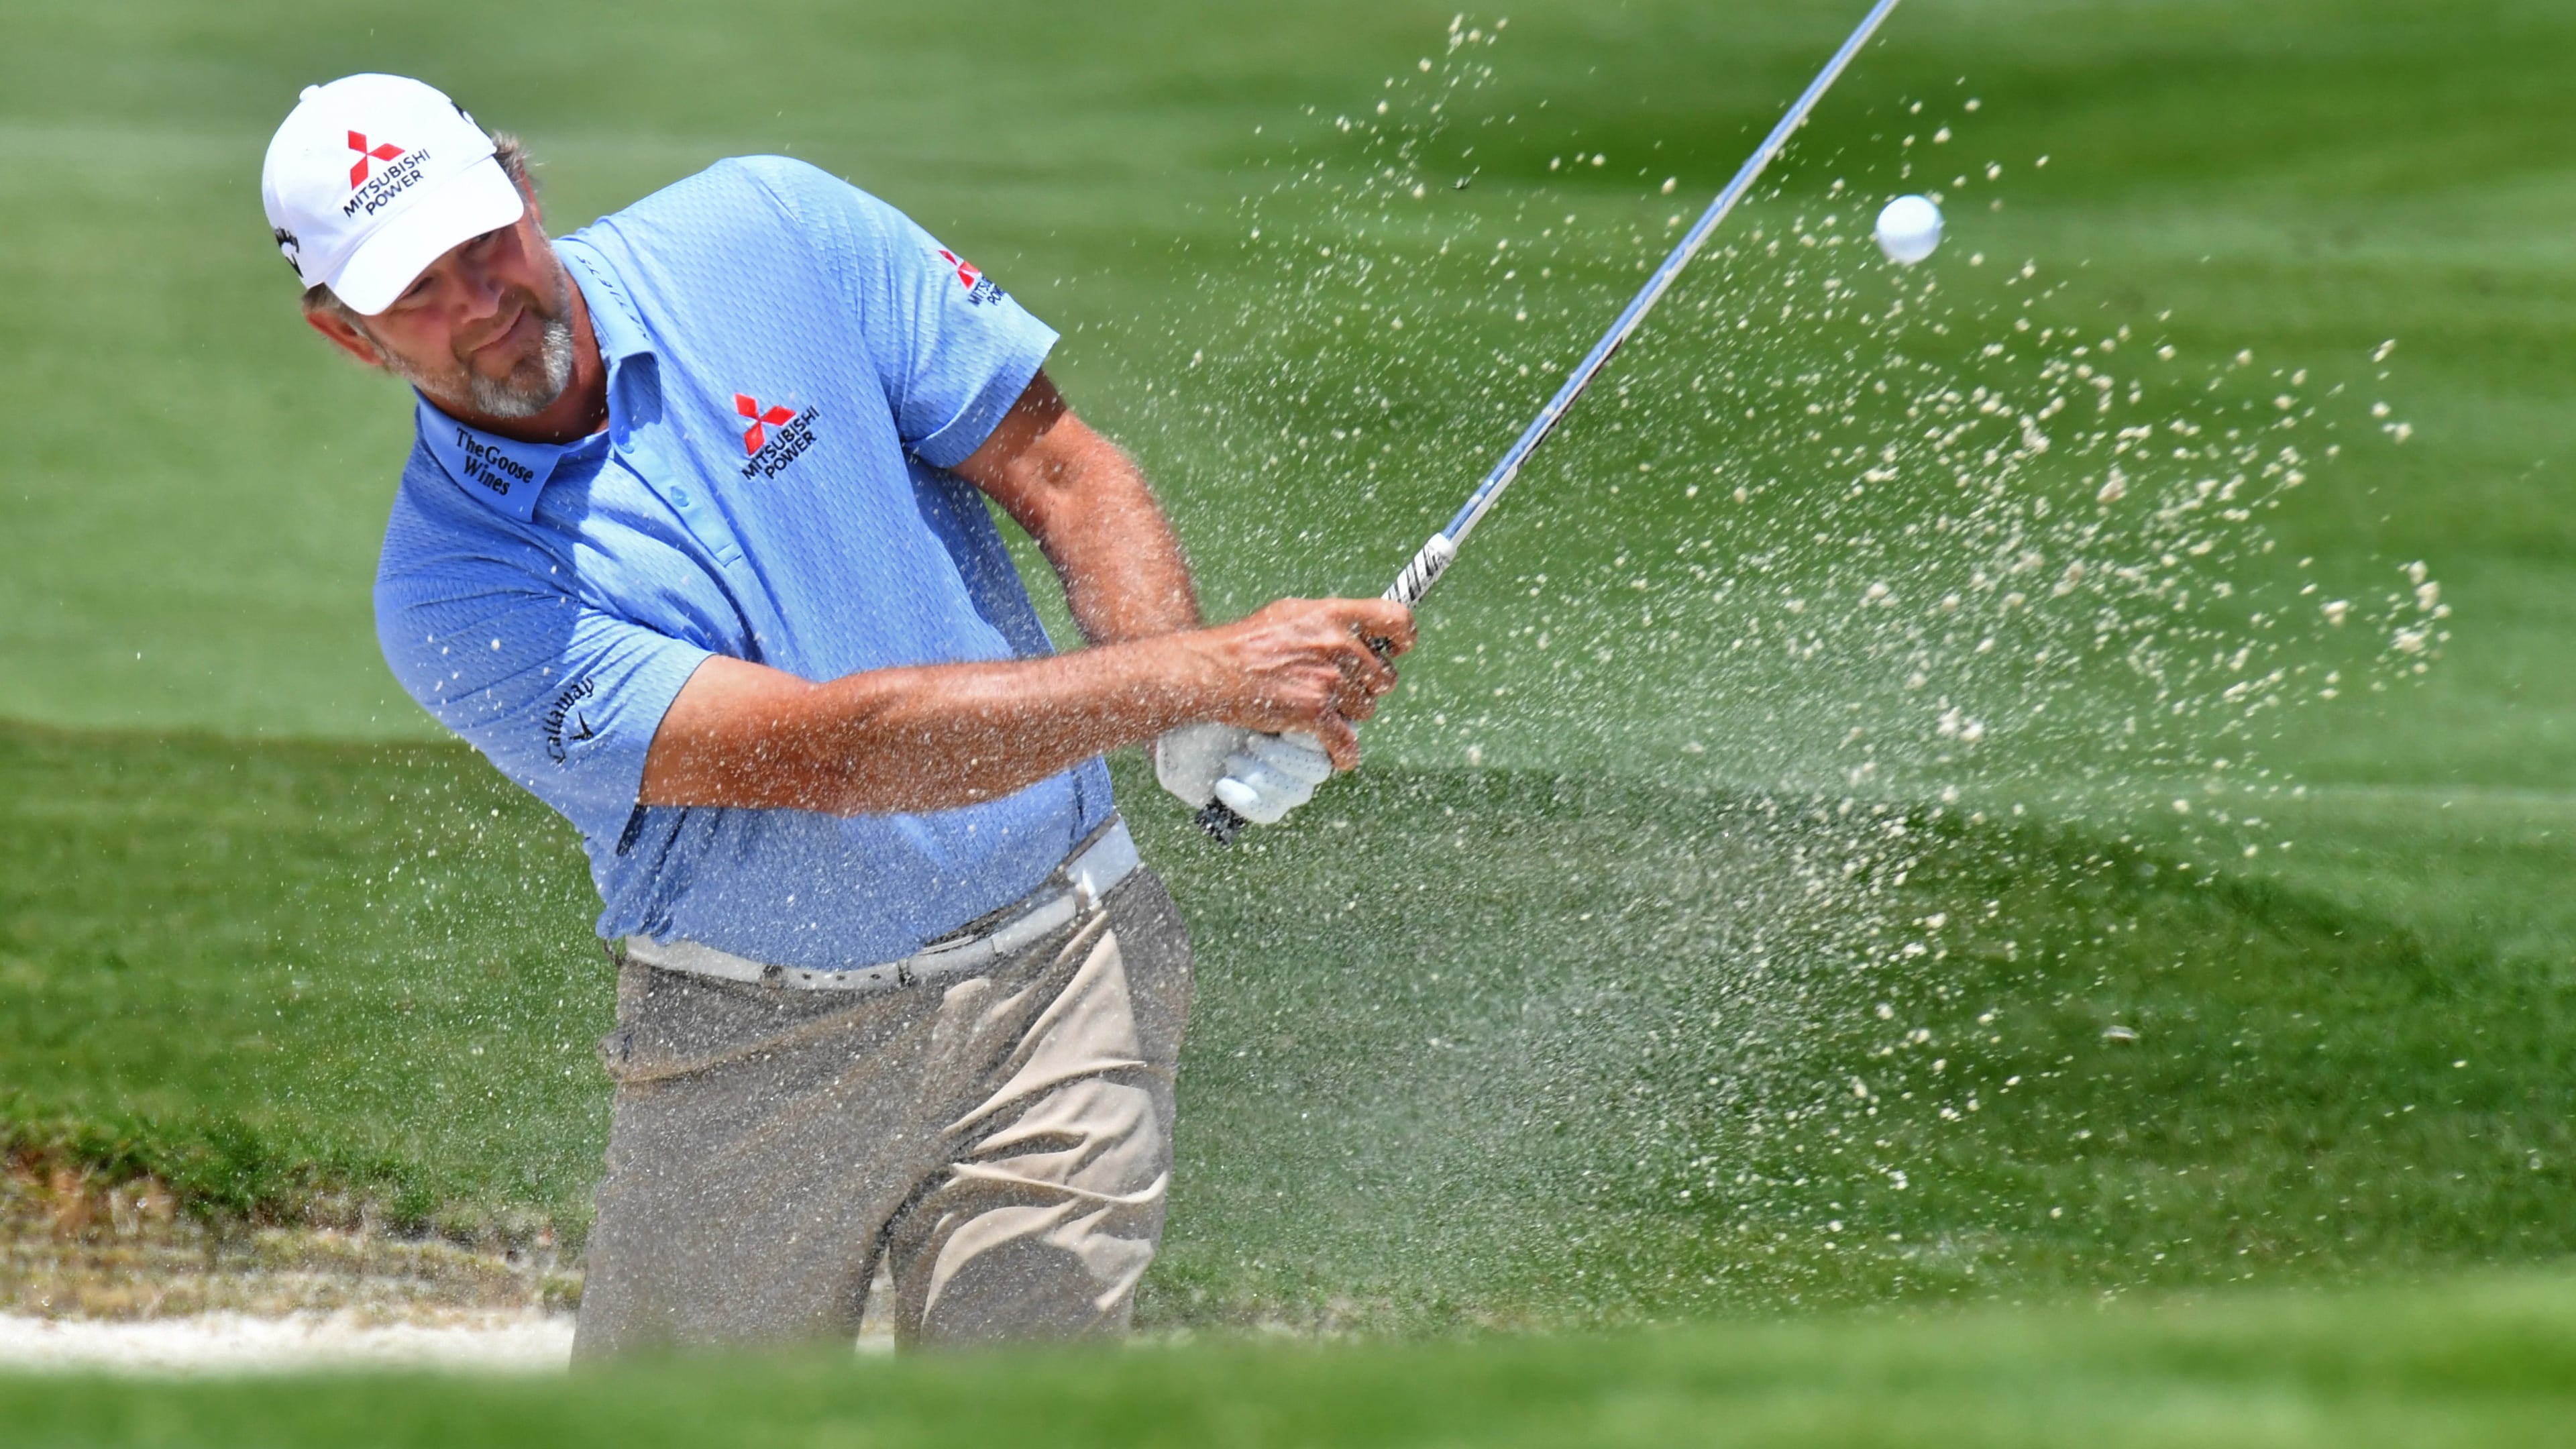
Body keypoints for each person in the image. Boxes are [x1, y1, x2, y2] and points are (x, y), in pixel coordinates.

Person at [259, 73, 1413, 1355]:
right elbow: (841, 753)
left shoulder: (772, 231)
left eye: (485, 241)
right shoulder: (457, 590)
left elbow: (1061, 468)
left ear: (527, 192)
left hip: (1067, 977)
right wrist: (1199, 677)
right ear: (348, 335)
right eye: (417, 288)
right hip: (749, 1056)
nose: (483, 301)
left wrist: (1173, 697)